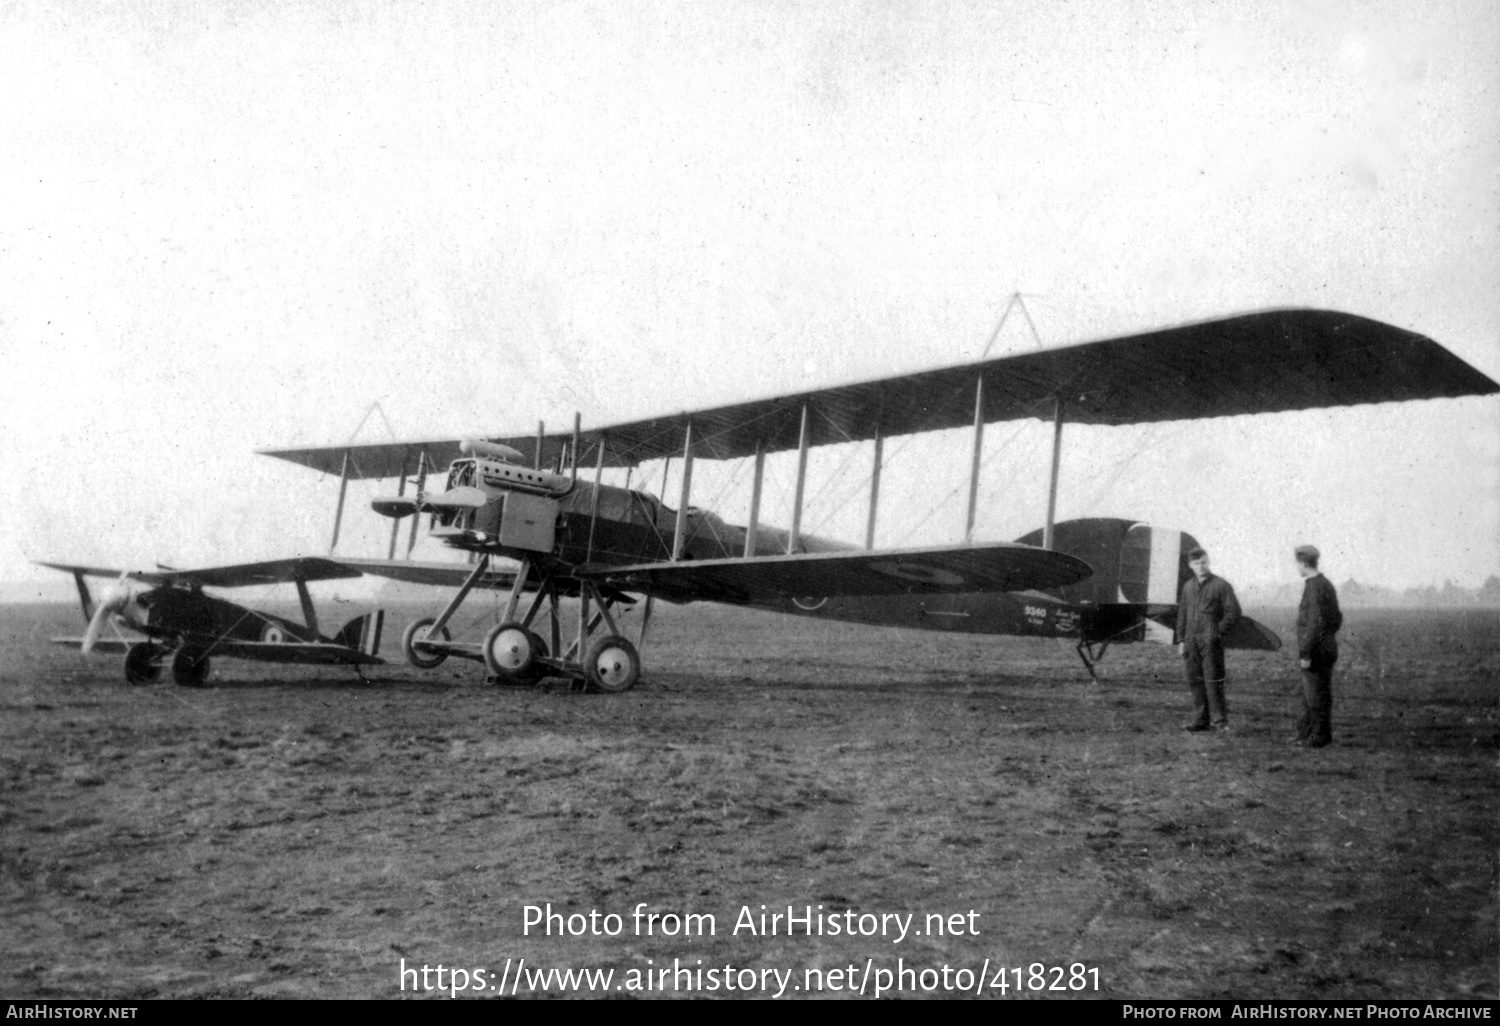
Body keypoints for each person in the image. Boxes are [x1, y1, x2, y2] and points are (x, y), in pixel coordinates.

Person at [1175, 547, 1242, 732]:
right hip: (1190, 641)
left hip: (1211, 642)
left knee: (1213, 680)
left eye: (1204, 562)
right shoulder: (1188, 587)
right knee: (1195, 680)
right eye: (1196, 563)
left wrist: (1216, 632)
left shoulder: (1221, 585)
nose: (1201, 566)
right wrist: (1180, 640)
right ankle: (1200, 720)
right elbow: (1182, 614)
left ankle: (1219, 722)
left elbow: (1233, 612)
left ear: (1208, 562)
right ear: (1190, 565)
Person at [1292, 545, 1342, 748]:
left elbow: (1314, 624)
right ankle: (1305, 734)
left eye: (1297, 563)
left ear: (1303, 563)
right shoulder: (1324, 584)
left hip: (1316, 652)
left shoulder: (1313, 587)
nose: (1297, 567)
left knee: (1316, 696)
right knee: (1310, 694)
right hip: (1326, 647)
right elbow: (1336, 618)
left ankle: (1319, 736)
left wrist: (1306, 652)